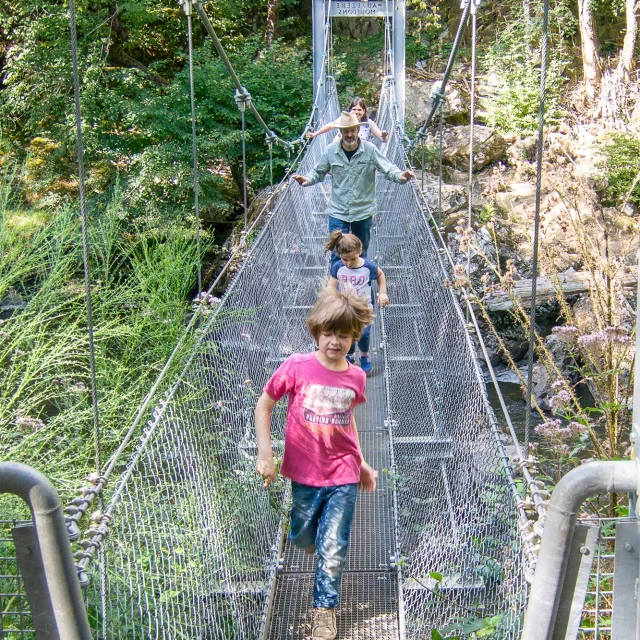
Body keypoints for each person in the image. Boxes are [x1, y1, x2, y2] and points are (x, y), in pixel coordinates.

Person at [255, 285, 378, 640]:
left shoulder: (355, 376)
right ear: (316, 333)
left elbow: (347, 419)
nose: (335, 342)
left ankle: (324, 611)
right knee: (304, 536)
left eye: (344, 335)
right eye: (328, 334)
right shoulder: (297, 365)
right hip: (305, 472)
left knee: (333, 546)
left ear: (355, 337)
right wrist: (267, 454)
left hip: (343, 471)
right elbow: (264, 405)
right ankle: (308, 540)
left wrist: (362, 463)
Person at [292, 111, 414, 264]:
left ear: (357, 130)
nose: (349, 134)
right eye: (345, 131)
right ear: (340, 132)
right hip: (338, 210)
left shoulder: (369, 150)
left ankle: (361, 286)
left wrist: (401, 176)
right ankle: (337, 287)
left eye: (352, 130)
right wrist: (307, 179)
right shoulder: (331, 151)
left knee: (360, 254)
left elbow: (388, 168)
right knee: (337, 253)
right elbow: (318, 171)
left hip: (362, 211)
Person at [325, 230, 388, 374]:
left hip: (364, 309)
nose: (348, 263)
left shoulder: (367, 266)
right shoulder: (338, 267)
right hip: (346, 308)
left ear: (360, 251)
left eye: (352, 259)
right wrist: (333, 296)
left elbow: (380, 274)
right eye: (344, 259)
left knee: (364, 335)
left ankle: (364, 355)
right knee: (347, 335)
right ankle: (350, 355)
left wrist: (382, 293)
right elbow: (331, 285)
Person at [307, 97, 388, 143]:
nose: (357, 112)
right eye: (354, 109)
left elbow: (383, 139)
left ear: (364, 111)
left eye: (359, 110)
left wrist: (384, 136)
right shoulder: (345, 119)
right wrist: (314, 134)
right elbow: (330, 126)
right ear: (350, 110)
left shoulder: (368, 123)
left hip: (362, 155)